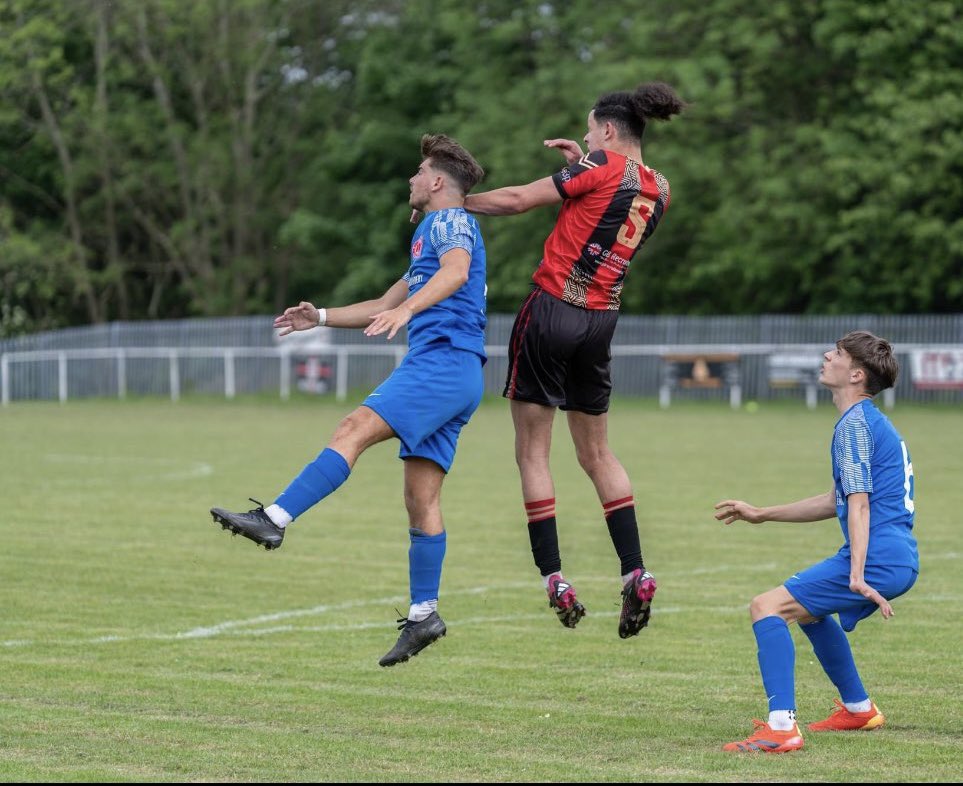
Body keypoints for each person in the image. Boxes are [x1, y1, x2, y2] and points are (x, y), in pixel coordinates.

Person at [210, 134, 487, 668]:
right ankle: (424, 612)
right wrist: (318, 318)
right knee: (421, 498)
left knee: (351, 428)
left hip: (442, 364)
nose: (411, 179)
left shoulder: (449, 221)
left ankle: (275, 518)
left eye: (418, 171)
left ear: (436, 182)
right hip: (458, 372)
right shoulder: (432, 237)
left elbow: (452, 276)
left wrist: (407, 316)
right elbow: (384, 303)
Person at [461, 82, 686, 637]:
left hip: (553, 309)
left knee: (533, 453)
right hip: (600, 320)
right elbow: (604, 215)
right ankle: (635, 569)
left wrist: (451, 201)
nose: (585, 139)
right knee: (598, 454)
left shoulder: (600, 165)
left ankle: (554, 577)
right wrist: (581, 168)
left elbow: (516, 201)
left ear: (608, 131)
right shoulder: (660, 187)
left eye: (590, 131)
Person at [714, 331, 918, 753]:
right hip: (895, 556)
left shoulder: (854, 426)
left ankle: (782, 729)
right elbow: (836, 501)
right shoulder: (865, 422)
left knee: (766, 606)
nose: (828, 355)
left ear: (856, 374)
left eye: (838, 353)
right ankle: (859, 708)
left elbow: (858, 506)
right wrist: (762, 513)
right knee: (808, 613)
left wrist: (858, 575)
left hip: (877, 558)